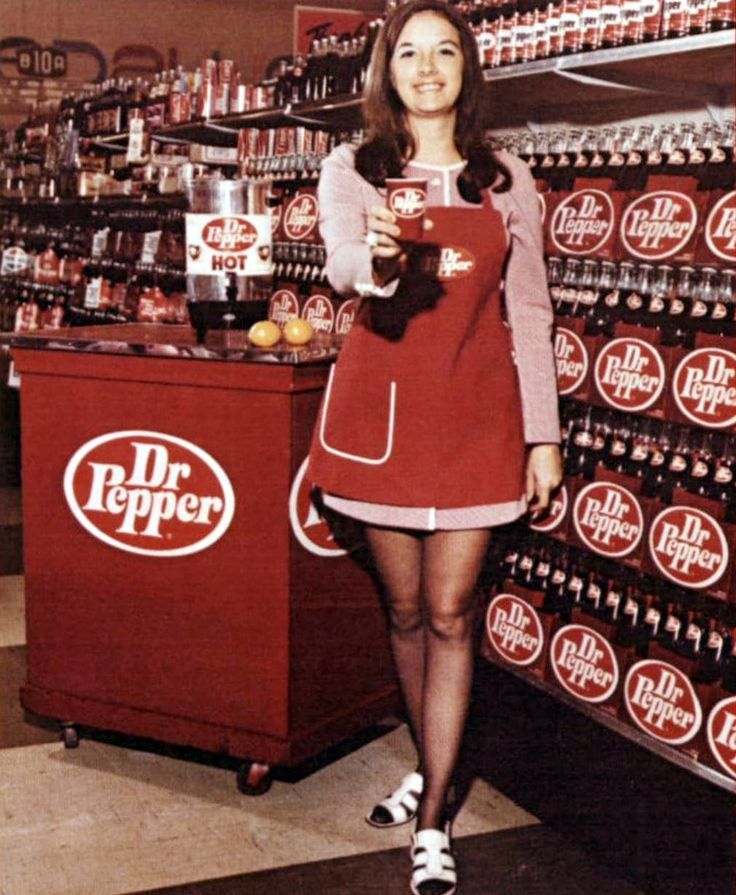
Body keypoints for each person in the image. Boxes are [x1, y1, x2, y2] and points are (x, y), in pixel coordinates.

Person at [307, 1, 562, 892]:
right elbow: (345, 258)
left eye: (443, 51)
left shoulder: (505, 176)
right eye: (407, 52)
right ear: (386, 71)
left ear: (468, 68)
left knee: (452, 612)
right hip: (383, 417)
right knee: (406, 611)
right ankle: (436, 760)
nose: (425, 67)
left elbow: (528, 310)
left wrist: (543, 436)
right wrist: (376, 260)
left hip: (477, 417)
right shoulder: (356, 167)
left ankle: (430, 821)